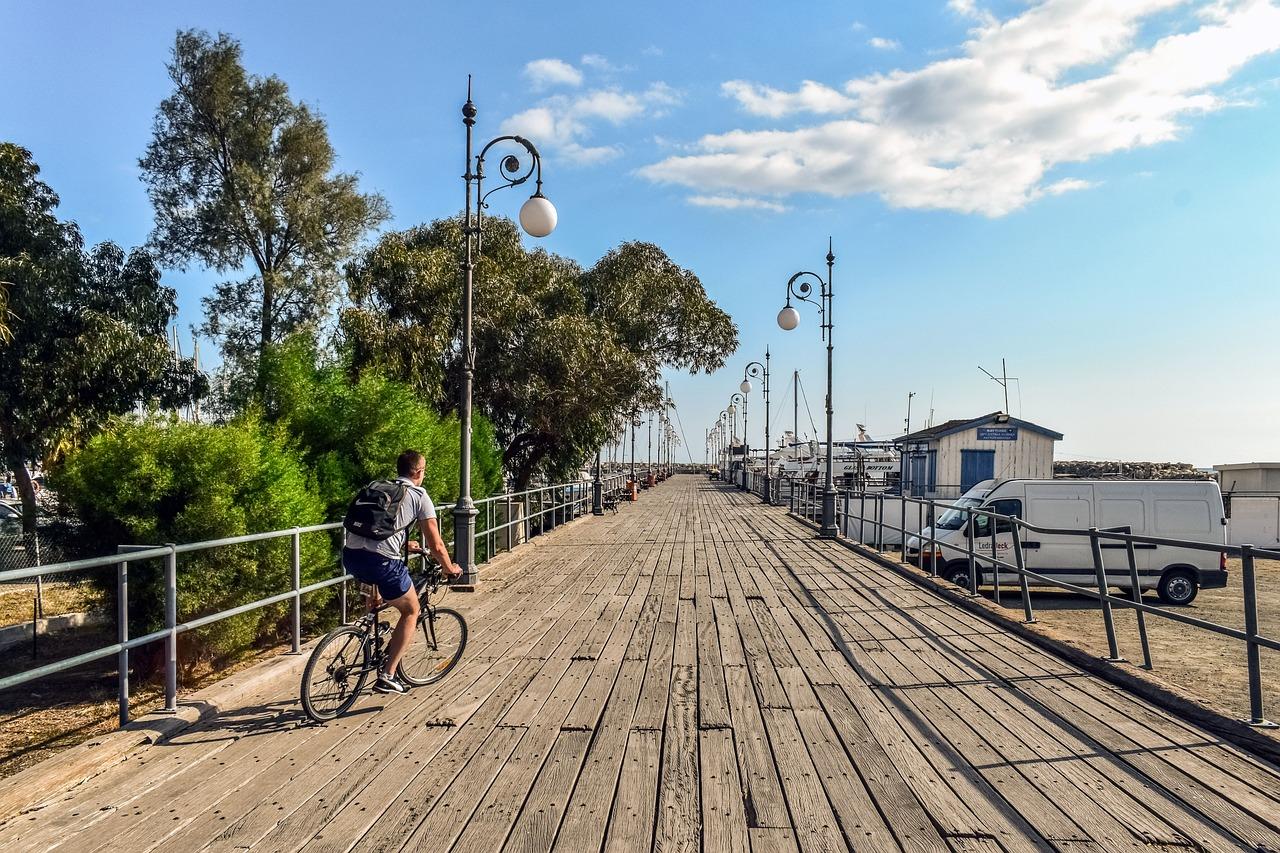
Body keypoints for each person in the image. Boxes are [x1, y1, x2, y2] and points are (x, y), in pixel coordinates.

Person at [341, 450, 460, 695]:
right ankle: (388, 674)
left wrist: (405, 544)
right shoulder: (418, 494)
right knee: (411, 610)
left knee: (377, 593)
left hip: (351, 556)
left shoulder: (380, 487)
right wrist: (450, 569)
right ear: (417, 472)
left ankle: (369, 630)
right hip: (382, 562)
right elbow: (436, 544)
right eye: (424, 470)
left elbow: (376, 529)